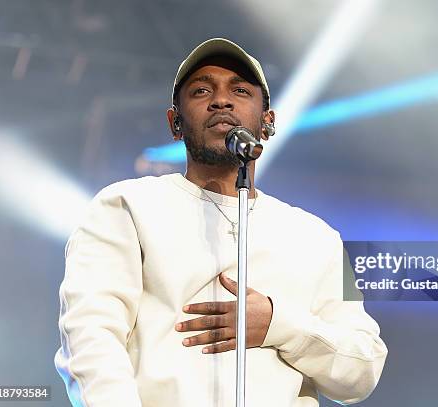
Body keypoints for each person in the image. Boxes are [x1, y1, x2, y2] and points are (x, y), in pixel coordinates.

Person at [55, 38, 387, 407]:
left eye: (240, 90)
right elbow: (91, 340)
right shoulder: (126, 206)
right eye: (201, 91)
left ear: (268, 121)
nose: (221, 100)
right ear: (175, 123)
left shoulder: (318, 237)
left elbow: (364, 367)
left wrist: (278, 324)